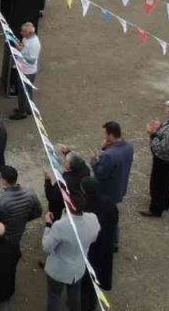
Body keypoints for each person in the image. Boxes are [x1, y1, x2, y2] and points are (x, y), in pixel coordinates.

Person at [41, 191, 100, 311]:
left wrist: (48, 225)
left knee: (54, 296)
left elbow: (46, 247)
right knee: (74, 296)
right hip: (78, 268)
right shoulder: (93, 218)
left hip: (58, 270)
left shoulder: (60, 225)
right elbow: (94, 238)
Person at [89, 121, 131, 249]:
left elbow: (101, 174)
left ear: (111, 135)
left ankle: (110, 242)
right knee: (112, 215)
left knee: (106, 217)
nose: (104, 137)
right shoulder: (129, 146)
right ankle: (114, 242)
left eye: (105, 134)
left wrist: (94, 160)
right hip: (120, 186)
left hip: (107, 191)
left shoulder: (109, 155)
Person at [79, 178, 117, 309]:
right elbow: (115, 219)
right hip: (106, 247)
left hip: (93, 250)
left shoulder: (88, 208)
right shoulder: (108, 201)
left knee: (88, 280)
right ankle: (92, 302)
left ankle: (87, 306)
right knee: (97, 278)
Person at [0, 165, 42, 245]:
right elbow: (38, 212)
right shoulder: (31, 194)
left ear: (4, 180)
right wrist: (23, 219)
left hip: (2, 235)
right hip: (18, 233)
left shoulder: (0, 200)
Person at [9, 22, 41, 120]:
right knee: (28, 90)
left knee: (23, 92)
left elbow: (31, 60)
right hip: (24, 69)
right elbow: (24, 47)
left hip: (28, 72)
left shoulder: (34, 44)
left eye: (23, 32)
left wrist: (20, 51)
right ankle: (28, 108)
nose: (21, 33)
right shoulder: (26, 38)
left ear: (29, 33)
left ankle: (22, 112)